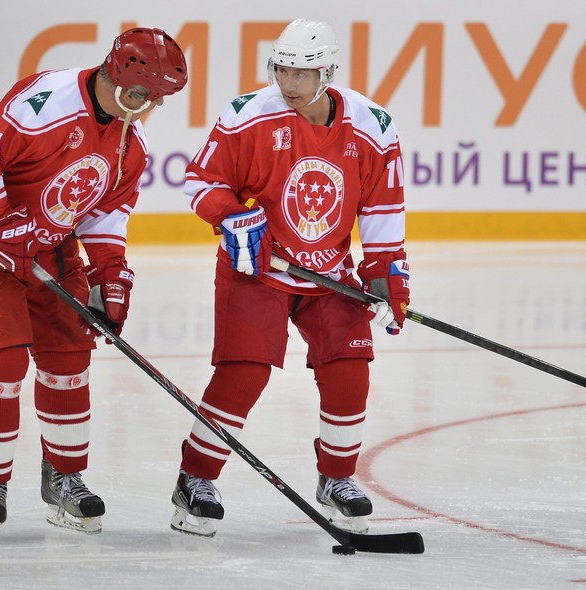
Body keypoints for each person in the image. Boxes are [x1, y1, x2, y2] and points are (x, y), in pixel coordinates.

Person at [0, 27, 187, 540]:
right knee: (1, 362)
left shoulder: (127, 142)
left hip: (49, 247)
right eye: (139, 95)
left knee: (69, 358)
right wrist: (5, 223)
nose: (144, 108)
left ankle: (65, 478)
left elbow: (105, 212)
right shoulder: (46, 103)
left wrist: (111, 273)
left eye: (154, 100)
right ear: (115, 74)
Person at [170, 18, 409, 537]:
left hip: (328, 272)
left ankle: (337, 478)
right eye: (282, 70)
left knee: (350, 371)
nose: (290, 84)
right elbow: (200, 181)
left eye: (303, 74)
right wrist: (231, 216)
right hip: (259, 268)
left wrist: (387, 275)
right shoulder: (246, 116)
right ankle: (195, 478)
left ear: (329, 72)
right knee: (244, 371)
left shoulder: (373, 125)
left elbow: (383, 211)